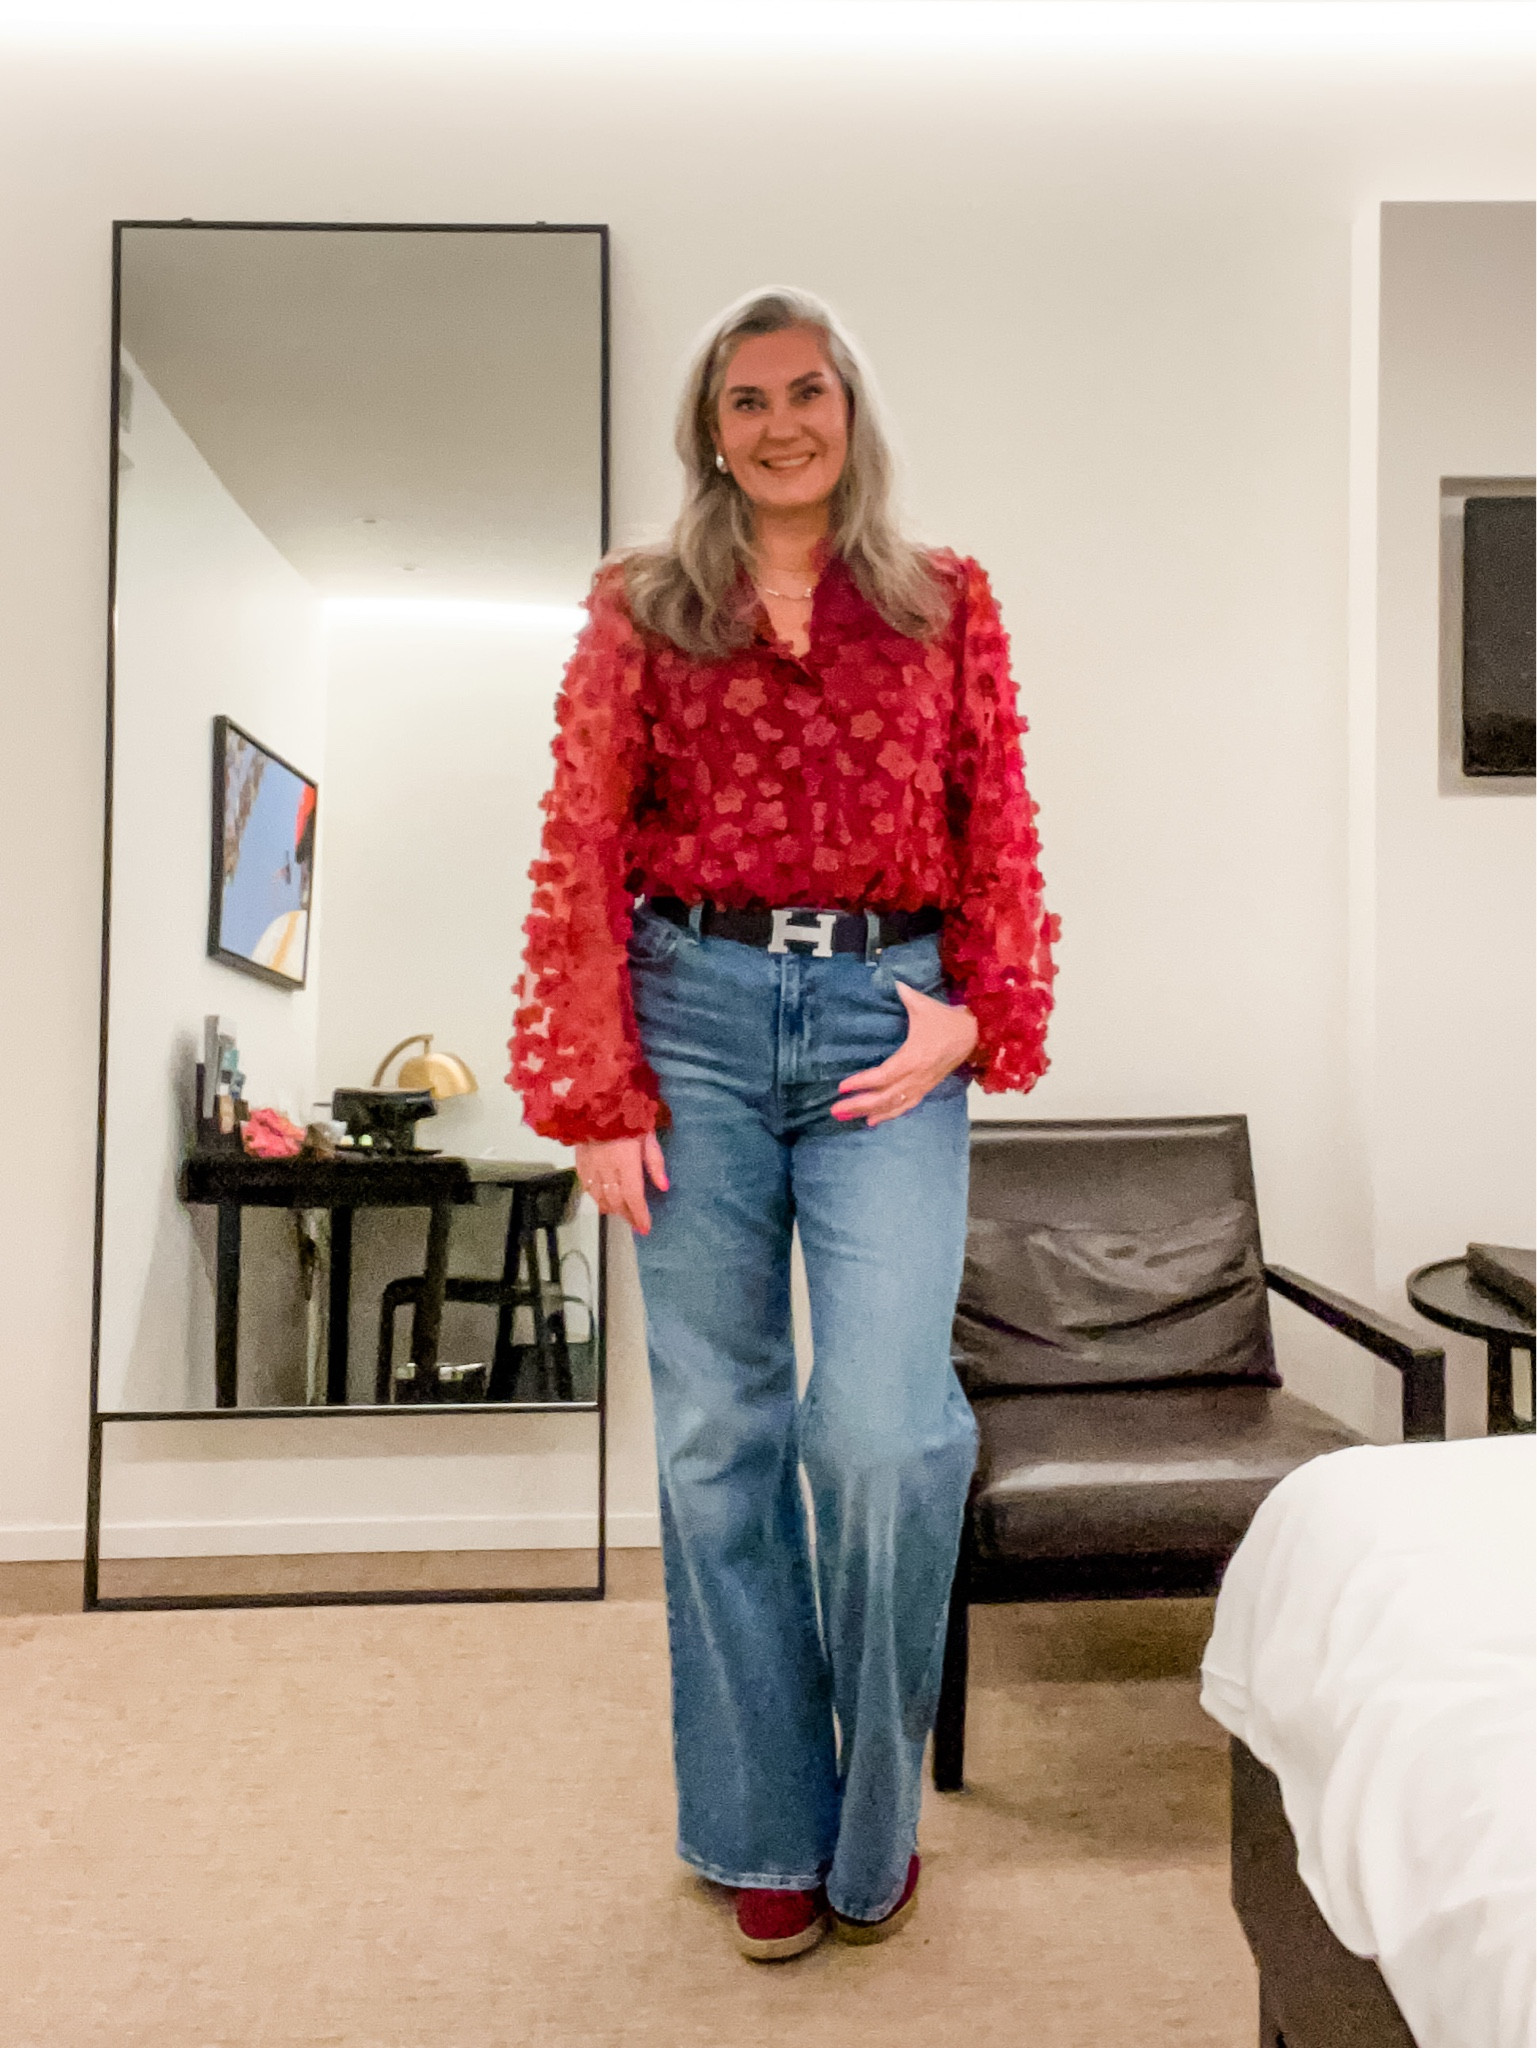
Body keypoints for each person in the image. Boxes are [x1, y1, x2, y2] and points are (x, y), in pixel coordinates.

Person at [510, 287, 1056, 1961]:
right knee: (715, 1438)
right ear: (711, 430)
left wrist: (986, 1010)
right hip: (690, 1018)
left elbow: (997, 820)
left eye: (802, 390)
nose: (776, 422)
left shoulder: (946, 601)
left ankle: (872, 1817)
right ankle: (760, 1822)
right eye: (742, 401)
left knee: (886, 1432)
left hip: (887, 1022)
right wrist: (594, 1089)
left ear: (847, 408)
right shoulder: (638, 610)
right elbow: (580, 840)